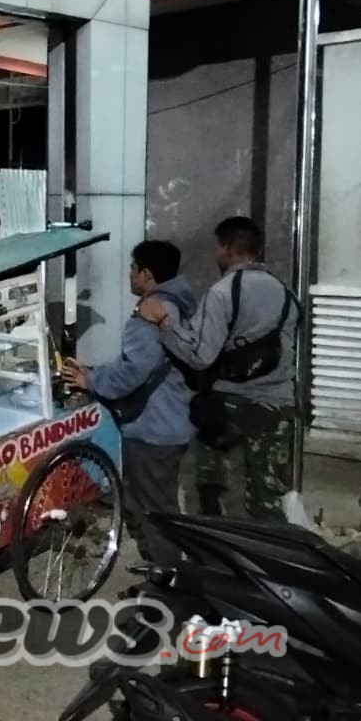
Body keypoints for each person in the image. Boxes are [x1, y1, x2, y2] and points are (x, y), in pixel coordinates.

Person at [137, 216, 299, 523]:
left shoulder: (223, 292)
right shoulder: (285, 293)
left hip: (230, 405)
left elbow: (200, 355)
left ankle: (216, 553)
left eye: (217, 247)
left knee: (210, 485)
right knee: (268, 497)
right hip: (279, 406)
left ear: (227, 248)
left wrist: (164, 324)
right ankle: (272, 561)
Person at [62, 240, 197, 564]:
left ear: (147, 274)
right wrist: (97, 370)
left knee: (155, 511)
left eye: (132, 269)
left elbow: (134, 371)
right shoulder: (181, 303)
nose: (129, 276)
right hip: (176, 419)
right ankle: (163, 571)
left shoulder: (149, 315)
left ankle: (169, 580)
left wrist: (90, 380)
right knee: (151, 502)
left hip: (154, 427)